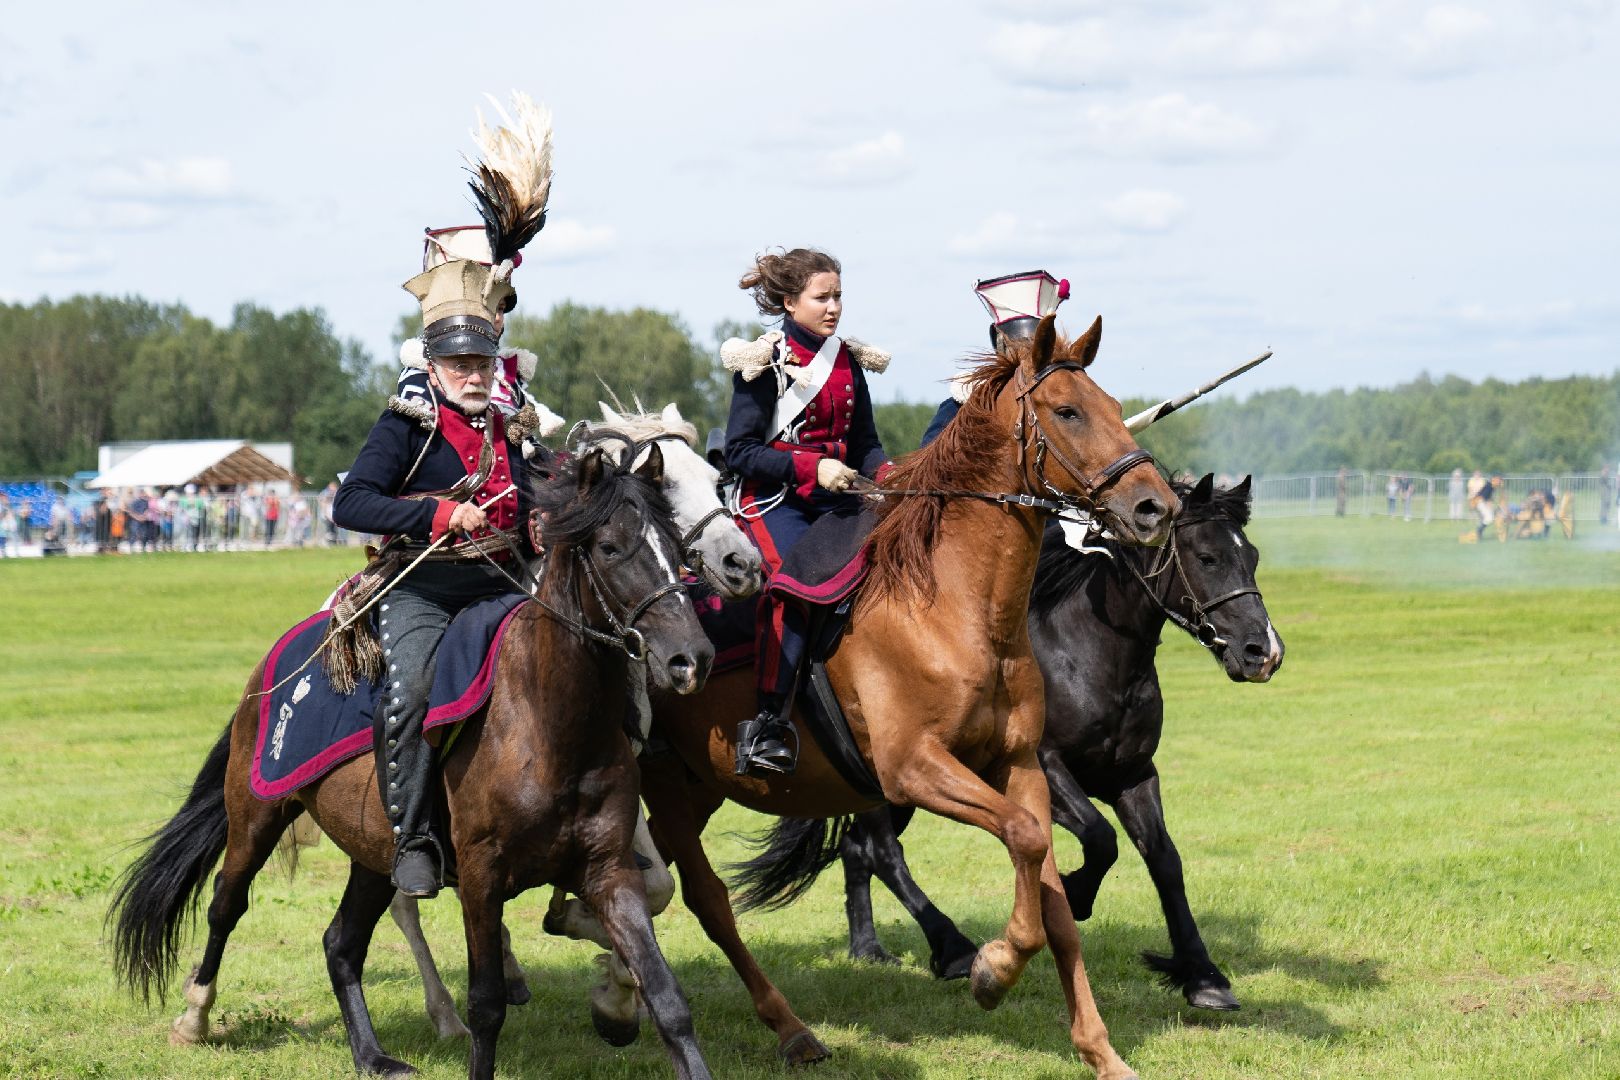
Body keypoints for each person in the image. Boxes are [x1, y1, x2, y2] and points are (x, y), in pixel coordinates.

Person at [330, 92, 551, 898]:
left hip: (500, 580)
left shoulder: (511, 421)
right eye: (458, 364)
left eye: (482, 363)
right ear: (432, 362)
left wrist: (543, 518)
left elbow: (531, 494)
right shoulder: (405, 422)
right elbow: (350, 504)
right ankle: (417, 839)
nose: (472, 374)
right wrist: (434, 512)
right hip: (422, 582)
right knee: (415, 690)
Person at [722, 248, 892, 776]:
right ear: (790, 302)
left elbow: (865, 443)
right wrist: (810, 468)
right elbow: (740, 451)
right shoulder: (763, 362)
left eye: (838, 295)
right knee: (794, 587)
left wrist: (888, 477)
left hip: (841, 496)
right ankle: (769, 723)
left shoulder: (847, 359)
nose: (834, 307)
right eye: (823, 297)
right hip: (772, 500)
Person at [920, 270, 1068, 449]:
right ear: (997, 342)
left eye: (1037, 346)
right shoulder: (961, 406)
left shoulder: (1059, 405)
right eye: (1019, 345)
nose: (1027, 356)